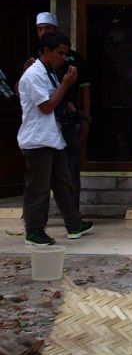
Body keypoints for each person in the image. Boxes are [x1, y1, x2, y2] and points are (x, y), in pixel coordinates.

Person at [17, 31, 94, 246]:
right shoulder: (34, 74)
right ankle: (34, 230)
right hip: (37, 140)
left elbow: (53, 102)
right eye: (60, 53)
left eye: (66, 54)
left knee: (63, 183)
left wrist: (66, 103)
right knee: (38, 188)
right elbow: (45, 106)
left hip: (52, 137)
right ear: (46, 51)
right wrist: (66, 85)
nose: (64, 58)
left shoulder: (49, 72)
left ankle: (73, 223)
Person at [23, 12, 91, 210]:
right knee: (40, 181)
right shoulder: (34, 66)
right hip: (42, 132)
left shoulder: (69, 60)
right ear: (46, 51)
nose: (43, 32)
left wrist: (85, 117)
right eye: (40, 29)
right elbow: (43, 103)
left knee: (66, 175)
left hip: (64, 126)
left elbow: (84, 89)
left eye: (48, 28)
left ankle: (73, 219)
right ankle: (37, 223)